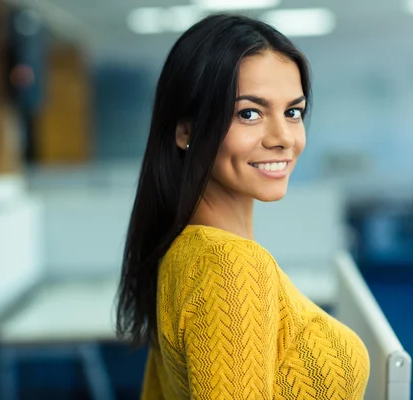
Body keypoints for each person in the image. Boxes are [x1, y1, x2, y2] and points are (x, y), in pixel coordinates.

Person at [116, 13, 370, 399]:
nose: (283, 137)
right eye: (249, 113)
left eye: (293, 112)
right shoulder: (229, 267)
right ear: (186, 130)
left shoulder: (184, 250)